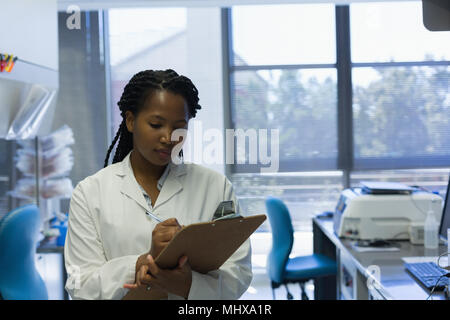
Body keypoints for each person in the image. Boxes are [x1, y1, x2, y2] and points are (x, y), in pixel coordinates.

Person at [64, 69, 252, 300]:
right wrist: (140, 264)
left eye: (179, 126)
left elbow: (239, 272)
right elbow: (78, 283)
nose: (168, 137)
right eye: (156, 124)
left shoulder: (216, 187)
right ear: (131, 121)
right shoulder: (90, 193)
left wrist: (187, 285)